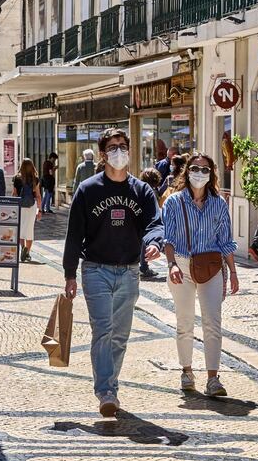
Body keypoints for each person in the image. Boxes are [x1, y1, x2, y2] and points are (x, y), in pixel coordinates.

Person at [63, 127, 164, 417]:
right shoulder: (89, 189)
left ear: (129, 151)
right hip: (95, 269)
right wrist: (70, 273)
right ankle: (106, 391)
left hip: (129, 271)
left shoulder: (141, 190)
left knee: (120, 335)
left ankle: (110, 384)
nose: (119, 151)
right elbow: (74, 234)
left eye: (123, 146)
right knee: (103, 330)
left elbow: (154, 223)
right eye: (113, 147)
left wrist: (155, 243)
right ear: (104, 153)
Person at [163, 154, 239, 397]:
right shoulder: (174, 202)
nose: (199, 173)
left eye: (204, 169)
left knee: (212, 323)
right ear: (187, 172)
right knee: (184, 322)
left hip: (211, 266)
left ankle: (213, 378)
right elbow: (168, 239)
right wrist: (172, 264)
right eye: (195, 168)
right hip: (182, 266)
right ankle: (187, 371)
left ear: (211, 174)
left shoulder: (219, 204)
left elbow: (225, 241)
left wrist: (234, 272)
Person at [12, 158, 42, 262]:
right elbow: (38, 196)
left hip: (20, 205)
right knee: (29, 229)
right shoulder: (35, 179)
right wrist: (40, 210)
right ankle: (27, 252)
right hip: (31, 206)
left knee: (21, 228)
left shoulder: (17, 178)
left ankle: (22, 248)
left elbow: (14, 194)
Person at [138, 168, 162, 279]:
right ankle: (143, 267)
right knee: (144, 244)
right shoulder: (150, 191)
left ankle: (143, 266)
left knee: (143, 243)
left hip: (141, 220)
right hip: (147, 221)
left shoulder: (140, 189)